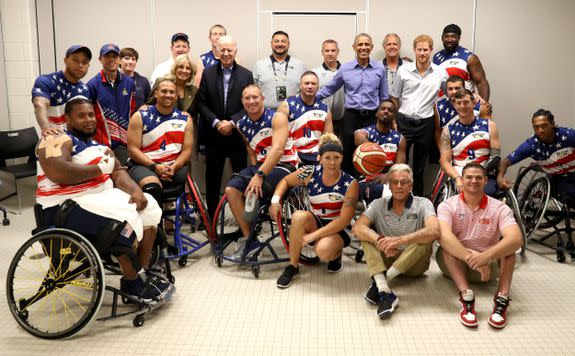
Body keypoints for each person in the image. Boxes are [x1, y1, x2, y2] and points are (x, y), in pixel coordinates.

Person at [36, 96, 167, 300]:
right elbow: (57, 171)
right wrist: (98, 169)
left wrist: (135, 191)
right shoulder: (55, 138)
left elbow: (118, 173)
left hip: (99, 199)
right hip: (66, 205)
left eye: (90, 115)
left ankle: (140, 272)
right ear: (68, 119)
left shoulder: (99, 145)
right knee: (120, 228)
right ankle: (133, 284)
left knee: (149, 207)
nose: (88, 119)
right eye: (81, 116)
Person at [437, 163, 522, 329]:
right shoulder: (447, 205)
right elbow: (444, 236)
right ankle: (466, 297)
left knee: (509, 250)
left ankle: (502, 298)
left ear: (485, 181)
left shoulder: (500, 208)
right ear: (461, 180)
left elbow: (516, 239)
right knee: (446, 248)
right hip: (458, 264)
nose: (473, 181)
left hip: (488, 267)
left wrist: (485, 257)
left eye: (478, 177)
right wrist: (471, 258)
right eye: (469, 177)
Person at [271, 134, 359, 288]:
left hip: (338, 228)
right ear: (320, 158)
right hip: (316, 220)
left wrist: (313, 235)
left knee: (322, 251)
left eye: (336, 157)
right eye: (327, 157)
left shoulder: (351, 183)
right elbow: (285, 181)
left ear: (342, 158)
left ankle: (336, 255)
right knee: (298, 216)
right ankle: (293, 266)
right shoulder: (309, 172)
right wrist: (275, 201)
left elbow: (344, 220)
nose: (332, 163)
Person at [352, 164, 439, 318]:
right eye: (395, 182)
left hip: (414, 265)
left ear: (411, 185)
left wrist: (400, 240)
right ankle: (385, 291)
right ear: (389, 185)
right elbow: (358, 227)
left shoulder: (423, 203)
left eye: (404, 182)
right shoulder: (379, 204)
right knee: (366, 236)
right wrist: (380, 240)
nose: (399, 186)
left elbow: (434, 230)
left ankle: (381, 282)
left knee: (425, 237)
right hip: (387, 259)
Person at [224, 85, 297, 260]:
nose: (251, 101)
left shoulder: (277, 117)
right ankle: (249, 238)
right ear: (242, 101)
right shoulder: (241, 124)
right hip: (262, 166)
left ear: (262, 98)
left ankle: (254, 223)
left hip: (284, 165)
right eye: (247, 98)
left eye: (255, 97)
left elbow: (278, 150)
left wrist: (258, 175)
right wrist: (254, 170)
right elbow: (251, 149)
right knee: (231, 190)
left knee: (256, 188)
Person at [197, 35, 253, 217]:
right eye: (223, 50)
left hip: (237, 135)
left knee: (240, 179)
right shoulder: (208, 72)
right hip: (214, 135)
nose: (226, 53)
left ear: (235, 51)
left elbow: (250, 105)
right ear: (217, 51)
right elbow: (201, 103)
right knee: (212, 181)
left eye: (230, 50)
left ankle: (241, 220)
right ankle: (212, 219)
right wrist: (216, 122)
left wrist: (232, 122)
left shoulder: (246, 74)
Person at [317, 33, 389, 175]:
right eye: (360, 44)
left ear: (372, 47)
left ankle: (368, 187)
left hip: (372, 117)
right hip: (351, 117)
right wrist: (307, 98)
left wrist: (386, 119)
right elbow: (329, 88)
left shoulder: (380, 68)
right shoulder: (345, 69)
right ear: (354, 47)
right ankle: (349, 185)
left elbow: (384, 96)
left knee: (371, 153)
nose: (363, 47)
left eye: (366, 44)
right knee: (349, 152)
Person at [391, 34, 447, 196]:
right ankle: (397, 198)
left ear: (431, 51)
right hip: (404, 122)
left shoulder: (440, 72)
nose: (422, 53)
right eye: (419, 49)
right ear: (414, 50)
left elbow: (452, 92)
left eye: (426, 50)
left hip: (426, 124)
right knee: (400, 165)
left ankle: (417, 202)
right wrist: (395, 120)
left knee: (420, 168)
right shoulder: (403, 70)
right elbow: (394, 96)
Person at [126, 78, 194, 209]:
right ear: (156, 93)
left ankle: (161, 224)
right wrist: (155, 166)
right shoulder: (140, 116)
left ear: (176, 96)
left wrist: (173, 167)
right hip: (144, 166)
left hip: (174, 168)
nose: (168, 95)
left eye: (171, 92)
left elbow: (186, 151)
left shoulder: (186, 119)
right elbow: (132, 149)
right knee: (152, 187)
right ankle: (156, 228)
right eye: (164, 91)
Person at [497, 109, 575, 204]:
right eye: (536, 127)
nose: (540, 130)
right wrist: (500, 178)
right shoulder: (531, 145)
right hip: (557, 177)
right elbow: (505, 162)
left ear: (553, 124)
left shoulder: (569, 135)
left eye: (544, 126)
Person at [439, 89, 501, 196]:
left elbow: (495, 156)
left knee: (483, 194)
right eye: (458, 103)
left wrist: (476, 175)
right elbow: (445, 161)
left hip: (484, 174)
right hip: (460, 175)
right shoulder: (447, 130)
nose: (462, 106)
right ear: (454, 105)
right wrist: (457, 178)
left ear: (474, 103)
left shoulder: (490, 125)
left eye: (466, 102)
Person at [87, 43, 136, 165]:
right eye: (107, 56)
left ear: (119, 59)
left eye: (115, 56)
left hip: (126, 143)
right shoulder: (92, 85)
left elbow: (133, 109)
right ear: (100, 59)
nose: (112, 59)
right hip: (103, 144)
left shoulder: (129, 83)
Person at [32, 45, 92, 137]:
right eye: (76, 60)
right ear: (66, 60)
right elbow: (40, 105)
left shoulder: (84, 90)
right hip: (54, 143)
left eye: (84, 62)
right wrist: (46, 128)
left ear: (88, 66)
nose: (80, 65)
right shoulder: (47, 81)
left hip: (77, 144)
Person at [354, 99, 407, 204]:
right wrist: (373, 150)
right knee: (386, 194)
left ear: (394, 116)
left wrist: (388, 175)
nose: (386, 111)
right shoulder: (364, 132)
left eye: (390, 110)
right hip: (367, 179)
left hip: (390, 177)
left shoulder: (400, 139)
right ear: (376, 113)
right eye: (383, 109)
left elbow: (399, 166)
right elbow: (360, 139)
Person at [277, 71, 333, 166]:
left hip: (316, 155)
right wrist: (291, 154)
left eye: (313, 83)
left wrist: (324, 155)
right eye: (306, 83)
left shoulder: (324, 109)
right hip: (292, 154)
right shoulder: (287, 105)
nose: (310, 86)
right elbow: (277, 135)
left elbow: (329, 138)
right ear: (300, 85)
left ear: (318, 86)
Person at [433, 24, 490, 101]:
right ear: (442, 38)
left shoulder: (469, 57)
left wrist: (484, 104)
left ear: (459, 38)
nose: (449, 40)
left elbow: (481, 82)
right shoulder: (436, 57)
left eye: (453, 36)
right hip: (443, 106)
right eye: (446, 36)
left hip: (464, 104)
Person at [253, 31, 307, 109]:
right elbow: (253, 90)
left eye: (283, 41)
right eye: (276, 41)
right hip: (266, 115)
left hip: (294, 114)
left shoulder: (300, 65)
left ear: (289, 44)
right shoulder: (259, 65)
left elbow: (306, 89)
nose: (280, 44)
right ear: (271, 44)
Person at [312, 39, 345, 140]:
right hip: (321, 119)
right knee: (324, 148)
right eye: (327, 51)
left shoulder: (346, 71)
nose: (330, 54)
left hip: (342, 120)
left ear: (338, 52)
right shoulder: (315, 73)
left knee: (341, 150)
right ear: (322, 52)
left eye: (333, 50)